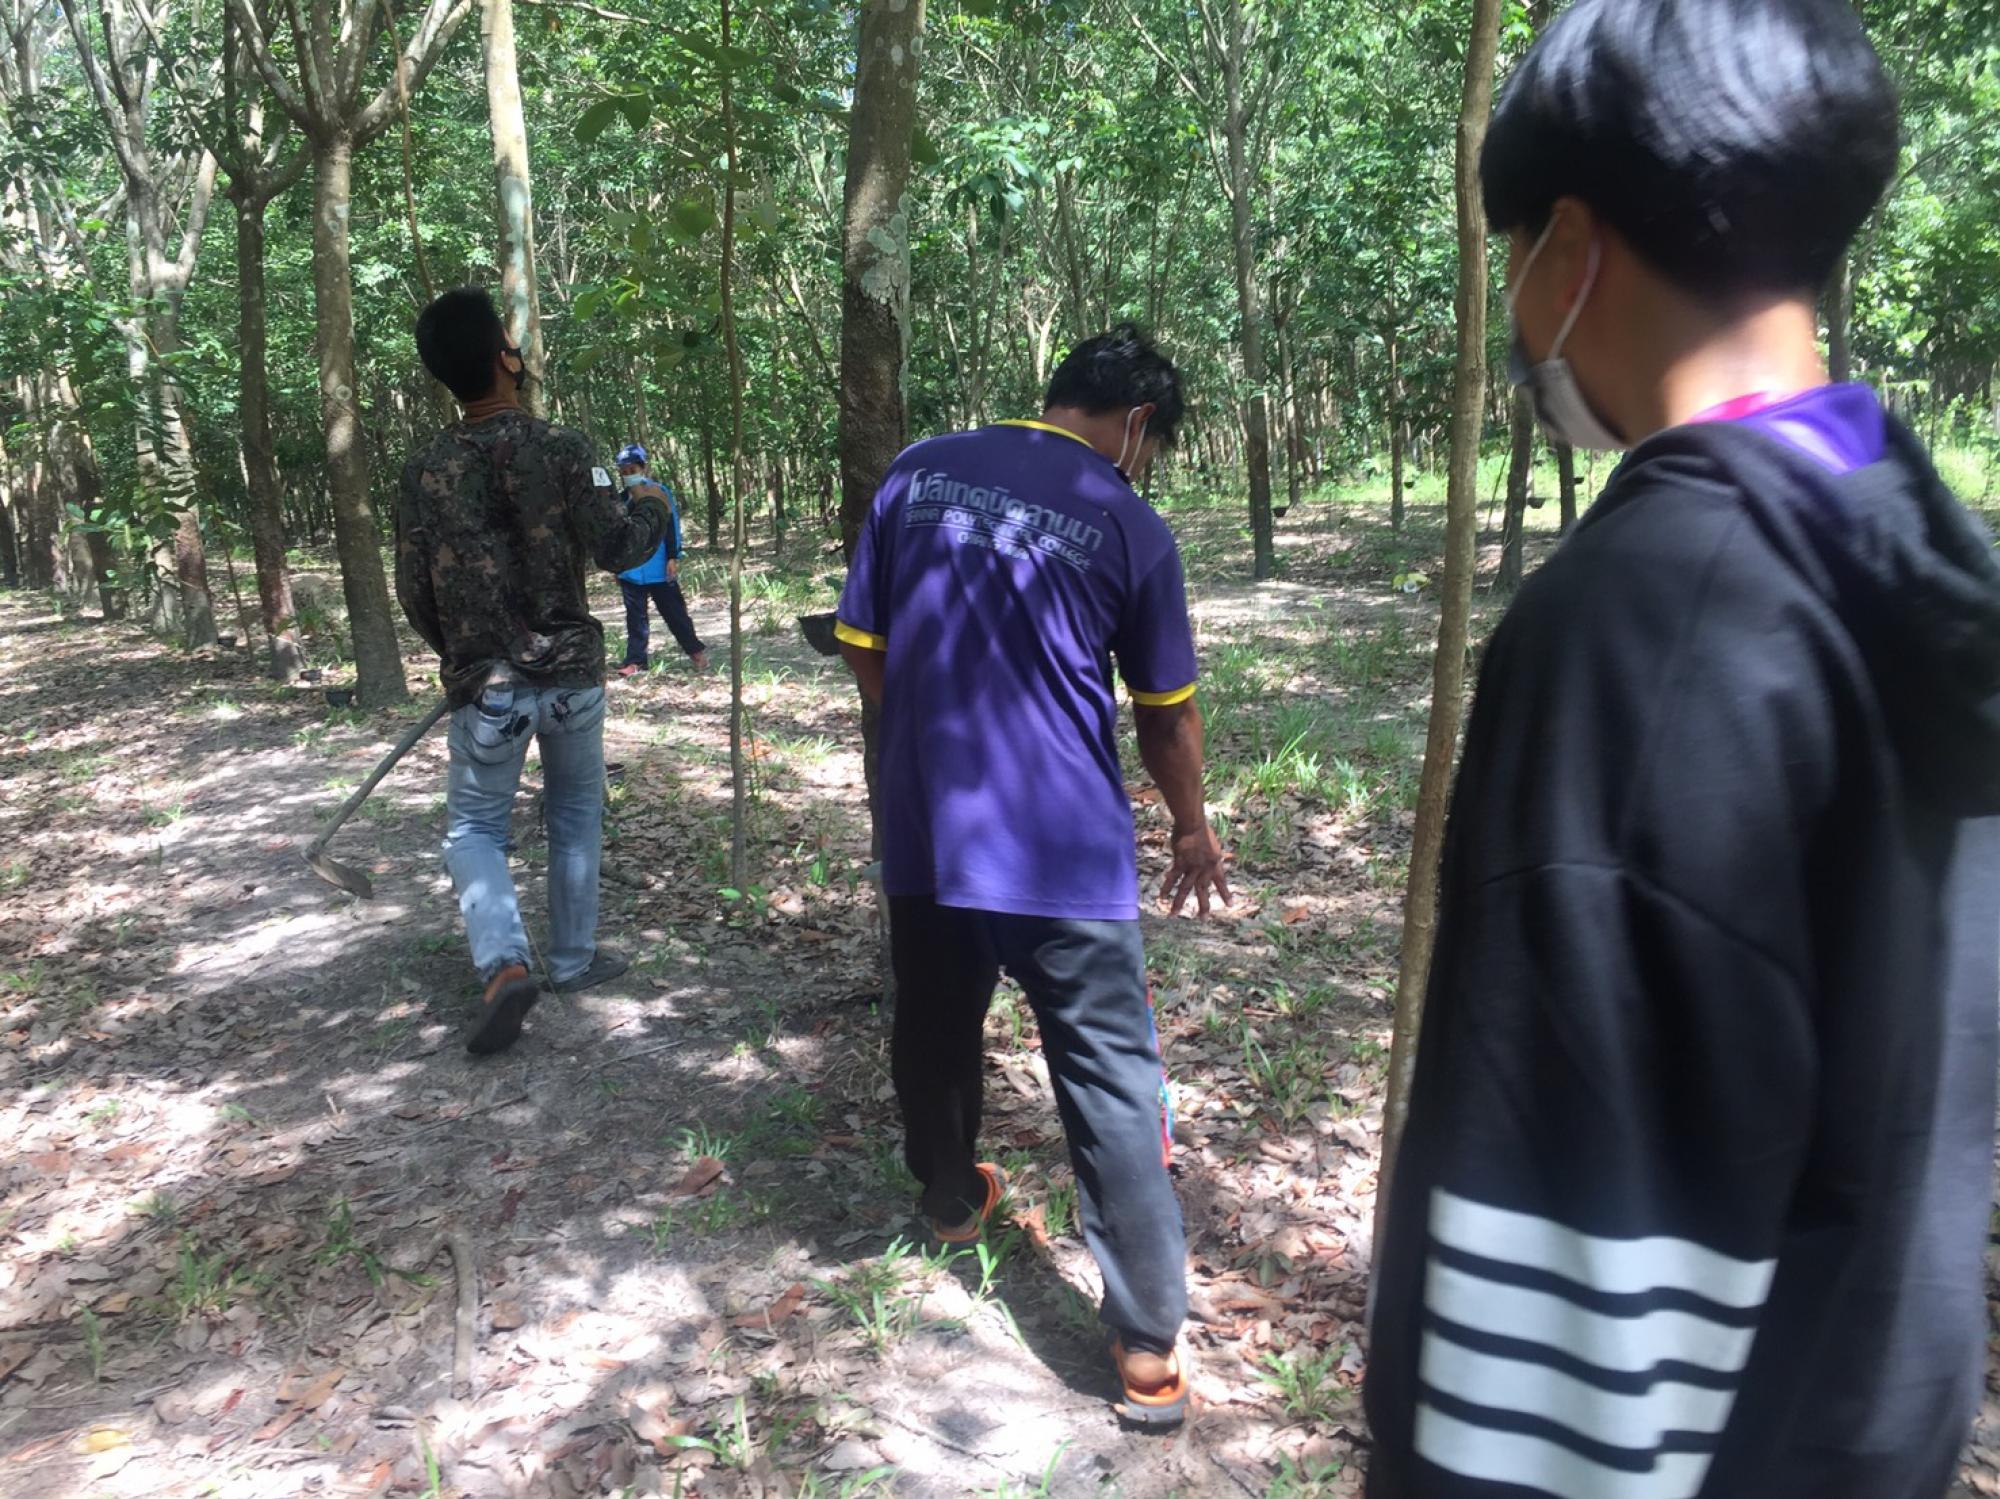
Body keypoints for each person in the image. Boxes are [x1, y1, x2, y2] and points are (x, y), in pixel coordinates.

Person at [1364, 4, 2000, 1498]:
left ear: (1568, 247)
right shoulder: (1911, 538)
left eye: (1513, 253)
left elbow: (1566, 1266)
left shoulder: (1639, 627)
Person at [836, 326, 1231, 1429]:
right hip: (1065, 851)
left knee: (933, 1019)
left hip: (933, 828)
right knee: (1108, 1074)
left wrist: (931, 733)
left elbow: (863, 643)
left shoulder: (918, 472)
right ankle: (1146, 1346)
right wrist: (1192, 827)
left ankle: (950, 1198)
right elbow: (1167, 718)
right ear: (1137, 424)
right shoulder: (1129, 522)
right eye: (1153, 445)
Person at [396, 287, 673, 1056]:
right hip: (573, 678)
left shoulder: (425, 470)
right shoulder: (566, 448)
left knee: (475, 828)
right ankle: (574, 959)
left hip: (488, 687)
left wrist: (460, 654)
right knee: (576, 813)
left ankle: (506, 964)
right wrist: (650, 501)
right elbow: (619, 545)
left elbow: (414, 588)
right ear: (504, 358)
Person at [612, 444, 709, 677]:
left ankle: (695, 652)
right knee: (635, 617)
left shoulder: (659, 492)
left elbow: (671, 525)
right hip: (631, 569)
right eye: (624, 472)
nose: (628, 475)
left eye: (632, 470)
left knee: (675, 612)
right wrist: (616, 565)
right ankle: (636, 661)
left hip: (659, 565)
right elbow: (616, 533)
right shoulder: (620, 500)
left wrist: (673, 556)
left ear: (643, 468)